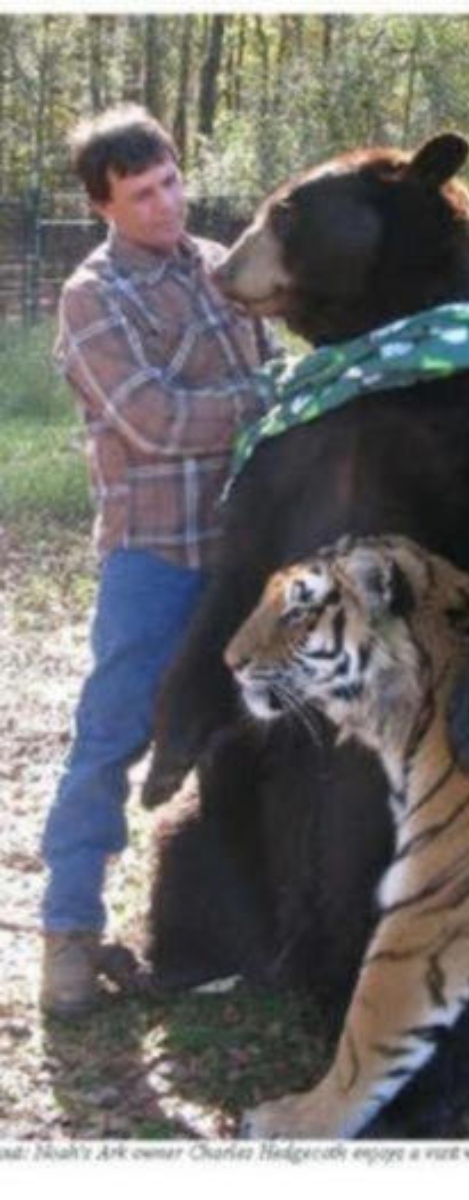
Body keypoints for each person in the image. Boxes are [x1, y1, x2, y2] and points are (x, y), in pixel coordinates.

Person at [40, 105, 276, 1018]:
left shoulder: (221, 265)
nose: (165, 205)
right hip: (156, 556)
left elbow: (282, 359)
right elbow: (156, 420)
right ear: (103, 205)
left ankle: (228, 925)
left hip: (247, 549)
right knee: (111, 737)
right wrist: (263, 396)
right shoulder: (92, 297)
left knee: (246, 732)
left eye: (171, 181)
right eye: (141, 195)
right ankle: (67, 937)